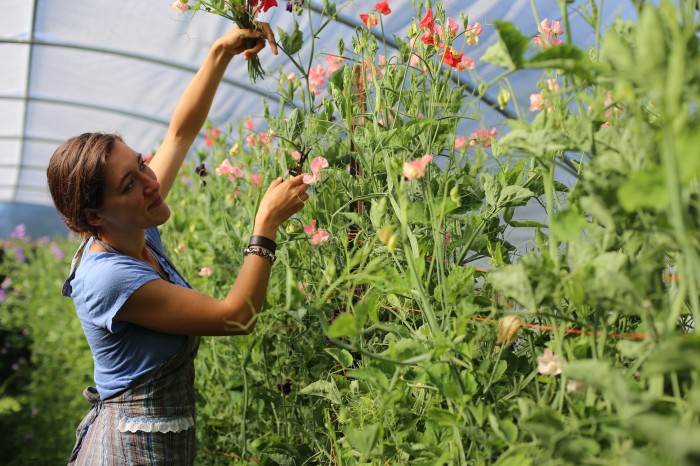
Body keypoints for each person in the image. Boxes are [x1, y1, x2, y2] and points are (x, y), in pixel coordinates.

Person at [46, 24, 309, 465]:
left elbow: (179, 136)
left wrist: (220, 52)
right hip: (125, 453)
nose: (151, 183)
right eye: (130, 183)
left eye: (142, 165)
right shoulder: (108, 277)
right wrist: (266, 222)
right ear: (95, 216)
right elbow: (237, 317)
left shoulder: (133, 223)